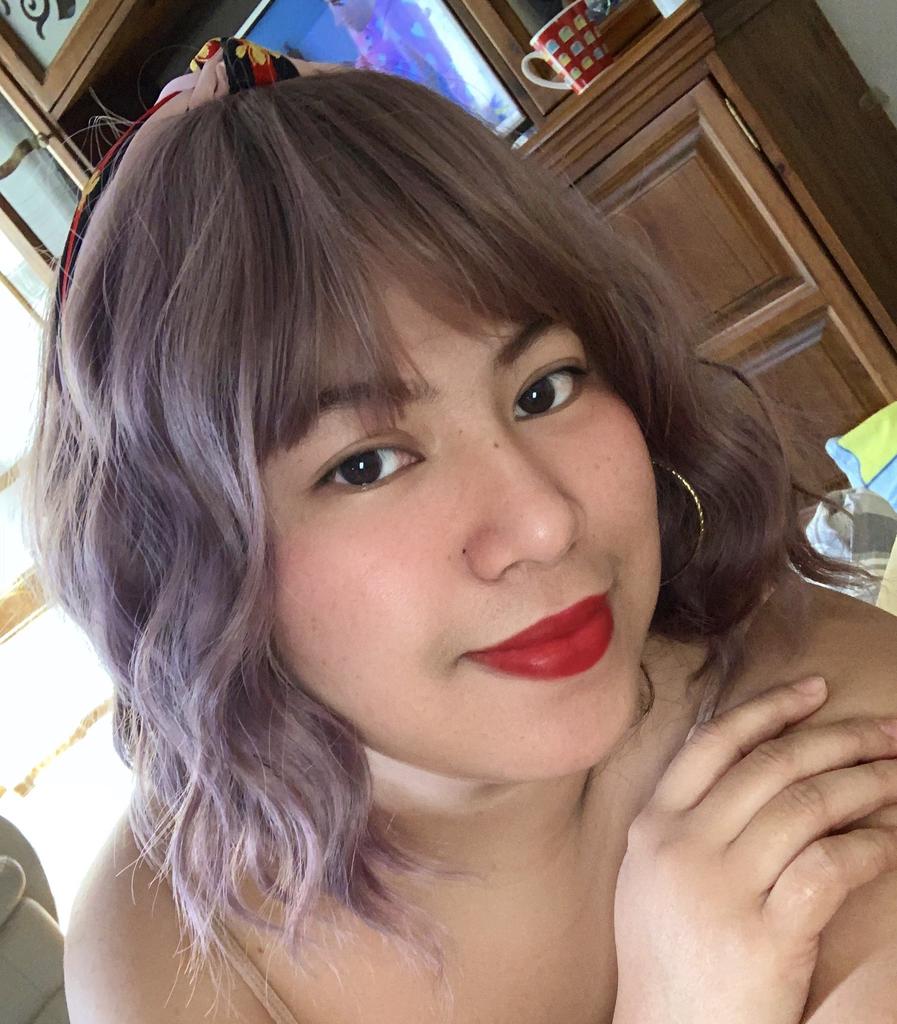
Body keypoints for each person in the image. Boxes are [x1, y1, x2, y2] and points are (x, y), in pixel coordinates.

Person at [23, 36, 897, 1024]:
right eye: (366, 463)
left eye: (544, 388)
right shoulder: (170, 950)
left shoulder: (818, 750)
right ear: (186, 566)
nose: (545, 522)